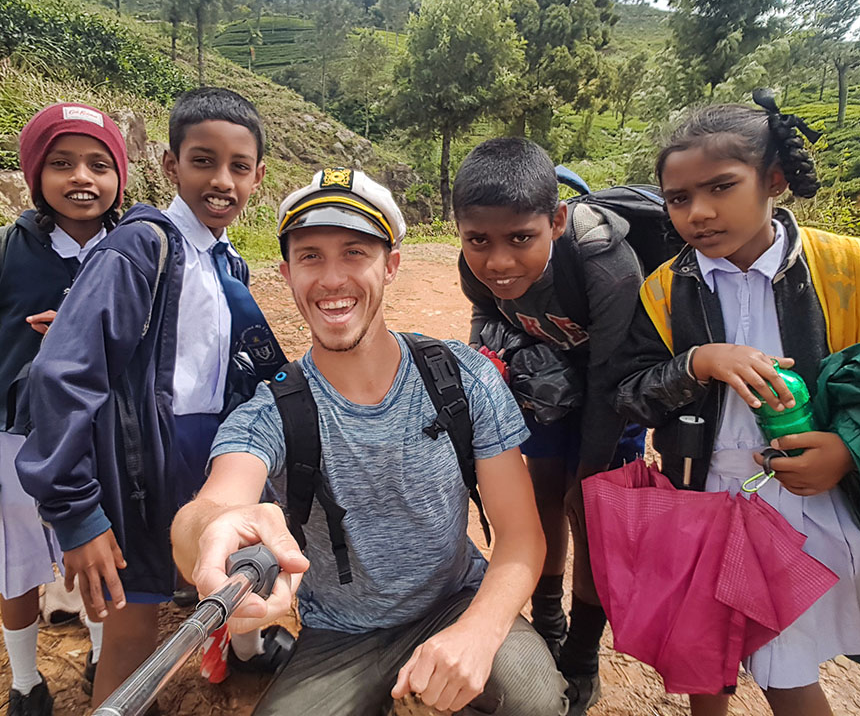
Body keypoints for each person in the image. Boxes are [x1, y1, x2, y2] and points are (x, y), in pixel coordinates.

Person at [171, 168, 568, 716]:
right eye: (310, 256)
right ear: (286, 273)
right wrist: (210, 532)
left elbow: (523, 537)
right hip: (340, 633)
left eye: (355, 252)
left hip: (454, 600)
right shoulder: (272, 411)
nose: (332, 278)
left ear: (392, 265)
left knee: (535, 698)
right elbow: (214, 504)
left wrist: (478, 632)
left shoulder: (463, 380)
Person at [613, 92, 860, 716]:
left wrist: (847, 449)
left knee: (783, 664)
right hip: (706, 496)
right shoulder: (665, 292)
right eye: (679, 198)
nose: (699, 213)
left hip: (807, 498)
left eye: (721, 187)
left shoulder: (851, 271)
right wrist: (697, 363)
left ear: (773, 180)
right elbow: (631, 392)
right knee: (703, 654)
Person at [15, 87, 285, 708]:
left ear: (258, 176)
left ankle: (228, 658)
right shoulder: (141, 248)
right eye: (203, 160)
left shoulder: (227, 261)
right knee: (133, 628)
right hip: (140, 469)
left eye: (238, 167)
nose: (222, 180)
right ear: (169, 165)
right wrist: (79, 514)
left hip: (206, 457)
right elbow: (60, 377)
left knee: (214, 579)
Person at [0, 102, 127, 715]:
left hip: (100, 432)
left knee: (92, 552)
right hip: (11, 436)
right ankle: (24, 681)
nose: (82, 178)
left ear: (120, 175)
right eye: (61, 163)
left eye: (98, 163)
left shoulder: (136, 252)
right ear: (35, 173)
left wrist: (82, 332)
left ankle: (98, 657)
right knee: (18, 564)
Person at [452, 137, 645, 715]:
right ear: (459, 230)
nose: (499, 262)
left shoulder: (606, 268)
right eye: (478, 240)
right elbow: (486, 314)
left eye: (521, 238)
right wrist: (497, 360)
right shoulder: (473, 267)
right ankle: (548, 621)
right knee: (538, 502)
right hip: (553, 386)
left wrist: (587, 477)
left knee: (591, 519)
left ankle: (583, 655)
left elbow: (613, 383)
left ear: (556, 221)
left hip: (615, 390)